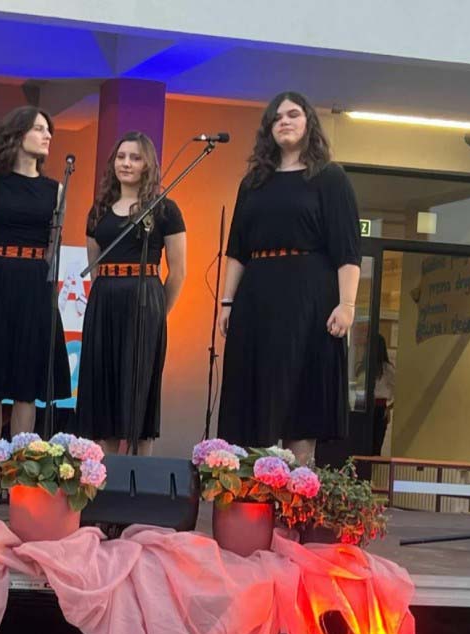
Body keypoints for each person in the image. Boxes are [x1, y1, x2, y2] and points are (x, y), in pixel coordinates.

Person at [217, 91, 361, 467]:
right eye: (276, 117)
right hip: (257, 299)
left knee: (300, 402)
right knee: (253, 400)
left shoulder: (330, 178)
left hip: (309, 300)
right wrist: (227, 302)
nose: (284, 121)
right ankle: (252, 492)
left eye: (293, 114)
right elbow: (237, 250)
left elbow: (347, 250)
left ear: (309, 122)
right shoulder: (253, 183)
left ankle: (296, 492)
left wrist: (347, 305)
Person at [0, 106, 69, 500]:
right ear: (18, 134)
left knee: (27, 386)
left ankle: (19, 470)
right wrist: (1, 275)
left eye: (48, 129)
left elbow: (53, 246)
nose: (47, 135)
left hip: (35, 285)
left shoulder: (56, 190)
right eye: (39, 128)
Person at [75, 131, 186, 455]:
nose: (126, 163)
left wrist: (158, 312)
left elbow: (178, 271)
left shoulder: (165, 209)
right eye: (121, 157)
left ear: (147, 164)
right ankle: (107, 474)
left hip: (145, 303)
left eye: (135, 158)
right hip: (105, 303)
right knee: (105, 393)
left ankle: (138, 474)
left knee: (139, 392)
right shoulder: (98, 211)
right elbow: (95, 266)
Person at [372, 333, 395, 455]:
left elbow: (400, 390)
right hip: (366, 407)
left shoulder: (387, 369)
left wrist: (389, 407)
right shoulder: (366, 366)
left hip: (380, 408)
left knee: (376, 445)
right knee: (369, 445)